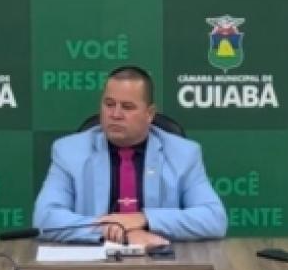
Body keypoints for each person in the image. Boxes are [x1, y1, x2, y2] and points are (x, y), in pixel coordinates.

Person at [33, 66, 227, 247]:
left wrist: (145, 219)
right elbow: (44, 218)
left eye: (127, 107)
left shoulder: (184, 154)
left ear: (149, 114)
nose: (115, 114)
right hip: (93, 264)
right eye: (109, 104)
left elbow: (214, 219)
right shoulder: (69, 151)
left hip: (160, 260)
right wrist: (115, 231)